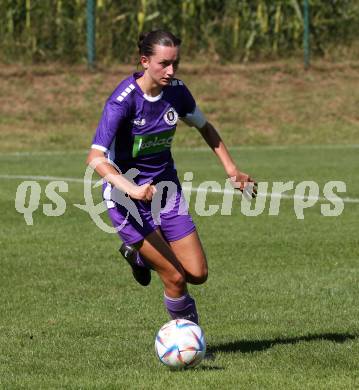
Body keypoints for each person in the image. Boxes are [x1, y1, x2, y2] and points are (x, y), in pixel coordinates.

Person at [86, 30, 256, 325]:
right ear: (144, 61)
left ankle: (136, 256)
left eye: (175, 63)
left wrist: (232, 170)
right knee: (175, 277)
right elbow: (96, 158)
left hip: (166, 193)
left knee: (197, 274)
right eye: (164, 64)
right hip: (125, 199)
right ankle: (190, 342)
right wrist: (133, 190)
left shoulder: (177, 92)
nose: (171, 70)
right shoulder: (122, 101)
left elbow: (206, 127)